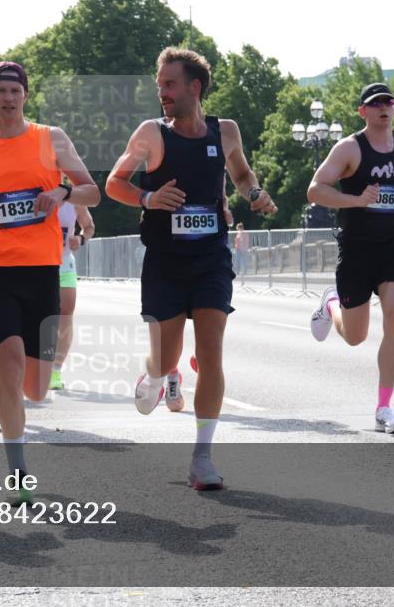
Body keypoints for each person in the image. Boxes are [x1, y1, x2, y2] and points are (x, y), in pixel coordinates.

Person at [105, 47, 277, 490]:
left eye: (169, 84)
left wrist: (255, 194)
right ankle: (160, 374)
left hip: (211, 259)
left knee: (213, 349)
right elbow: (114, 183)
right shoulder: (151, 134)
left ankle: (202, 456)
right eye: (160, 85)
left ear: (194, 88)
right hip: (165, 260)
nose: (161, 93)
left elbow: (240, 175)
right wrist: (148, 198)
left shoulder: (226, 132)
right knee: (166, 355)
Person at [0, 61, 100, 504]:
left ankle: (9, 398)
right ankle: (18, 473)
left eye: (15, 90)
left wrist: (63, 193)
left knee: (36, 386)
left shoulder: (50, 139)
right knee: (12, 364)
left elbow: (93, 190)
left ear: (25, 95)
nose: (8, 98)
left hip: (42, 271)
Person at [307, 82, 394, 435]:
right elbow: (316, 190)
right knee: (356, 337)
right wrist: (357, 201)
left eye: (388, 102)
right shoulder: (349, 148)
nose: (383, 107)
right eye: (375, 103)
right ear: (363, 111)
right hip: (357, 247)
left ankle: (384, 407)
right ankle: (331, 304)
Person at [50, 199, 94, 391]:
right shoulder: (37, 192)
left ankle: (55, 370)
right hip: (37, 265)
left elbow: (89, 226)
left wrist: (81, 238)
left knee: (66, 315)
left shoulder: (75, 199)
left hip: (64, 264)